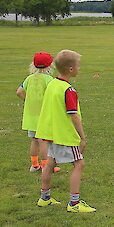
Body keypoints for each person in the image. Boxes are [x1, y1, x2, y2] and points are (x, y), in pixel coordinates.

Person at [34, 50, 96, 213]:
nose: (79, 69)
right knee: (79, 164)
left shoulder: (52, 84)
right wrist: (82, 137)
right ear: (70, 69)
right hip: (65, 135)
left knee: (50, 162)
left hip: (51, 134)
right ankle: (74, 204)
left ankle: (44, 198)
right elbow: (73, 116)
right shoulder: (68, 90)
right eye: (78, 66)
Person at [16, 51, 58, 172]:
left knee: (34, 141)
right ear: (49, 65)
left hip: (31, 115)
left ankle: (34, 165)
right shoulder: (49, 79)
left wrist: (27, 100)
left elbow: (19, 92)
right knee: (43, 141)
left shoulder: (29, 78)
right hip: (43, 116)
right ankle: (46, 167)